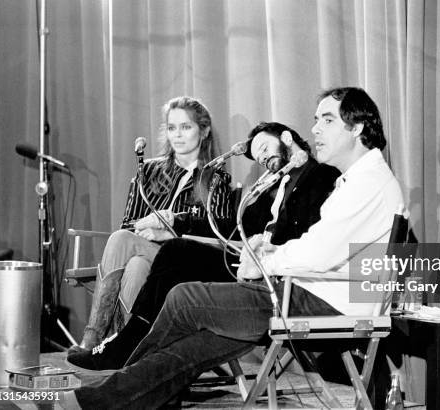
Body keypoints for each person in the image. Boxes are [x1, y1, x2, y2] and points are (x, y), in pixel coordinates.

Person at [61, 87, 408, 409]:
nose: (316, 129)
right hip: (304, 292)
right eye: (316, 120)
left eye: (328, 120)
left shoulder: (368, 183)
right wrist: (264, 254)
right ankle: (115, 397)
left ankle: (119, 386)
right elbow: (318, 246)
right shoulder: (358, 179)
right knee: (197, 345)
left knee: (184, 298)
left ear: (358, 127)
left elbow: (318, 254)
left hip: (317, 301)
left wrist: (263, 260)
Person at [67, 121, 340, 370]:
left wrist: (265, 245)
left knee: (176, 255)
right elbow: (229, 227)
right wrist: (178, 226)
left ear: (287, 138)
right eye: (259, 156)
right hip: (243, 261)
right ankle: (132, 345)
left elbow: (309, 234)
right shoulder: (272, 186)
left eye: (265, 148)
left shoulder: (319, 175)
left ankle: (131, 344)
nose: (264, 158)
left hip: (270, 276)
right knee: (172, 253)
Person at [76, 96, 233, 351]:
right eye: (172, 128)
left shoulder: (216, 179)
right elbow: (128, 225)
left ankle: (95, 338)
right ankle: (122, 347)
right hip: (143, 252)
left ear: (203, 131)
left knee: (120, 240)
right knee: (135, 262)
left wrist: (169, 227)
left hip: (179, 260)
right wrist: (145, 227)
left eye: (186, 127)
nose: (178, 135)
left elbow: (214, 232)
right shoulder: (147, 171)